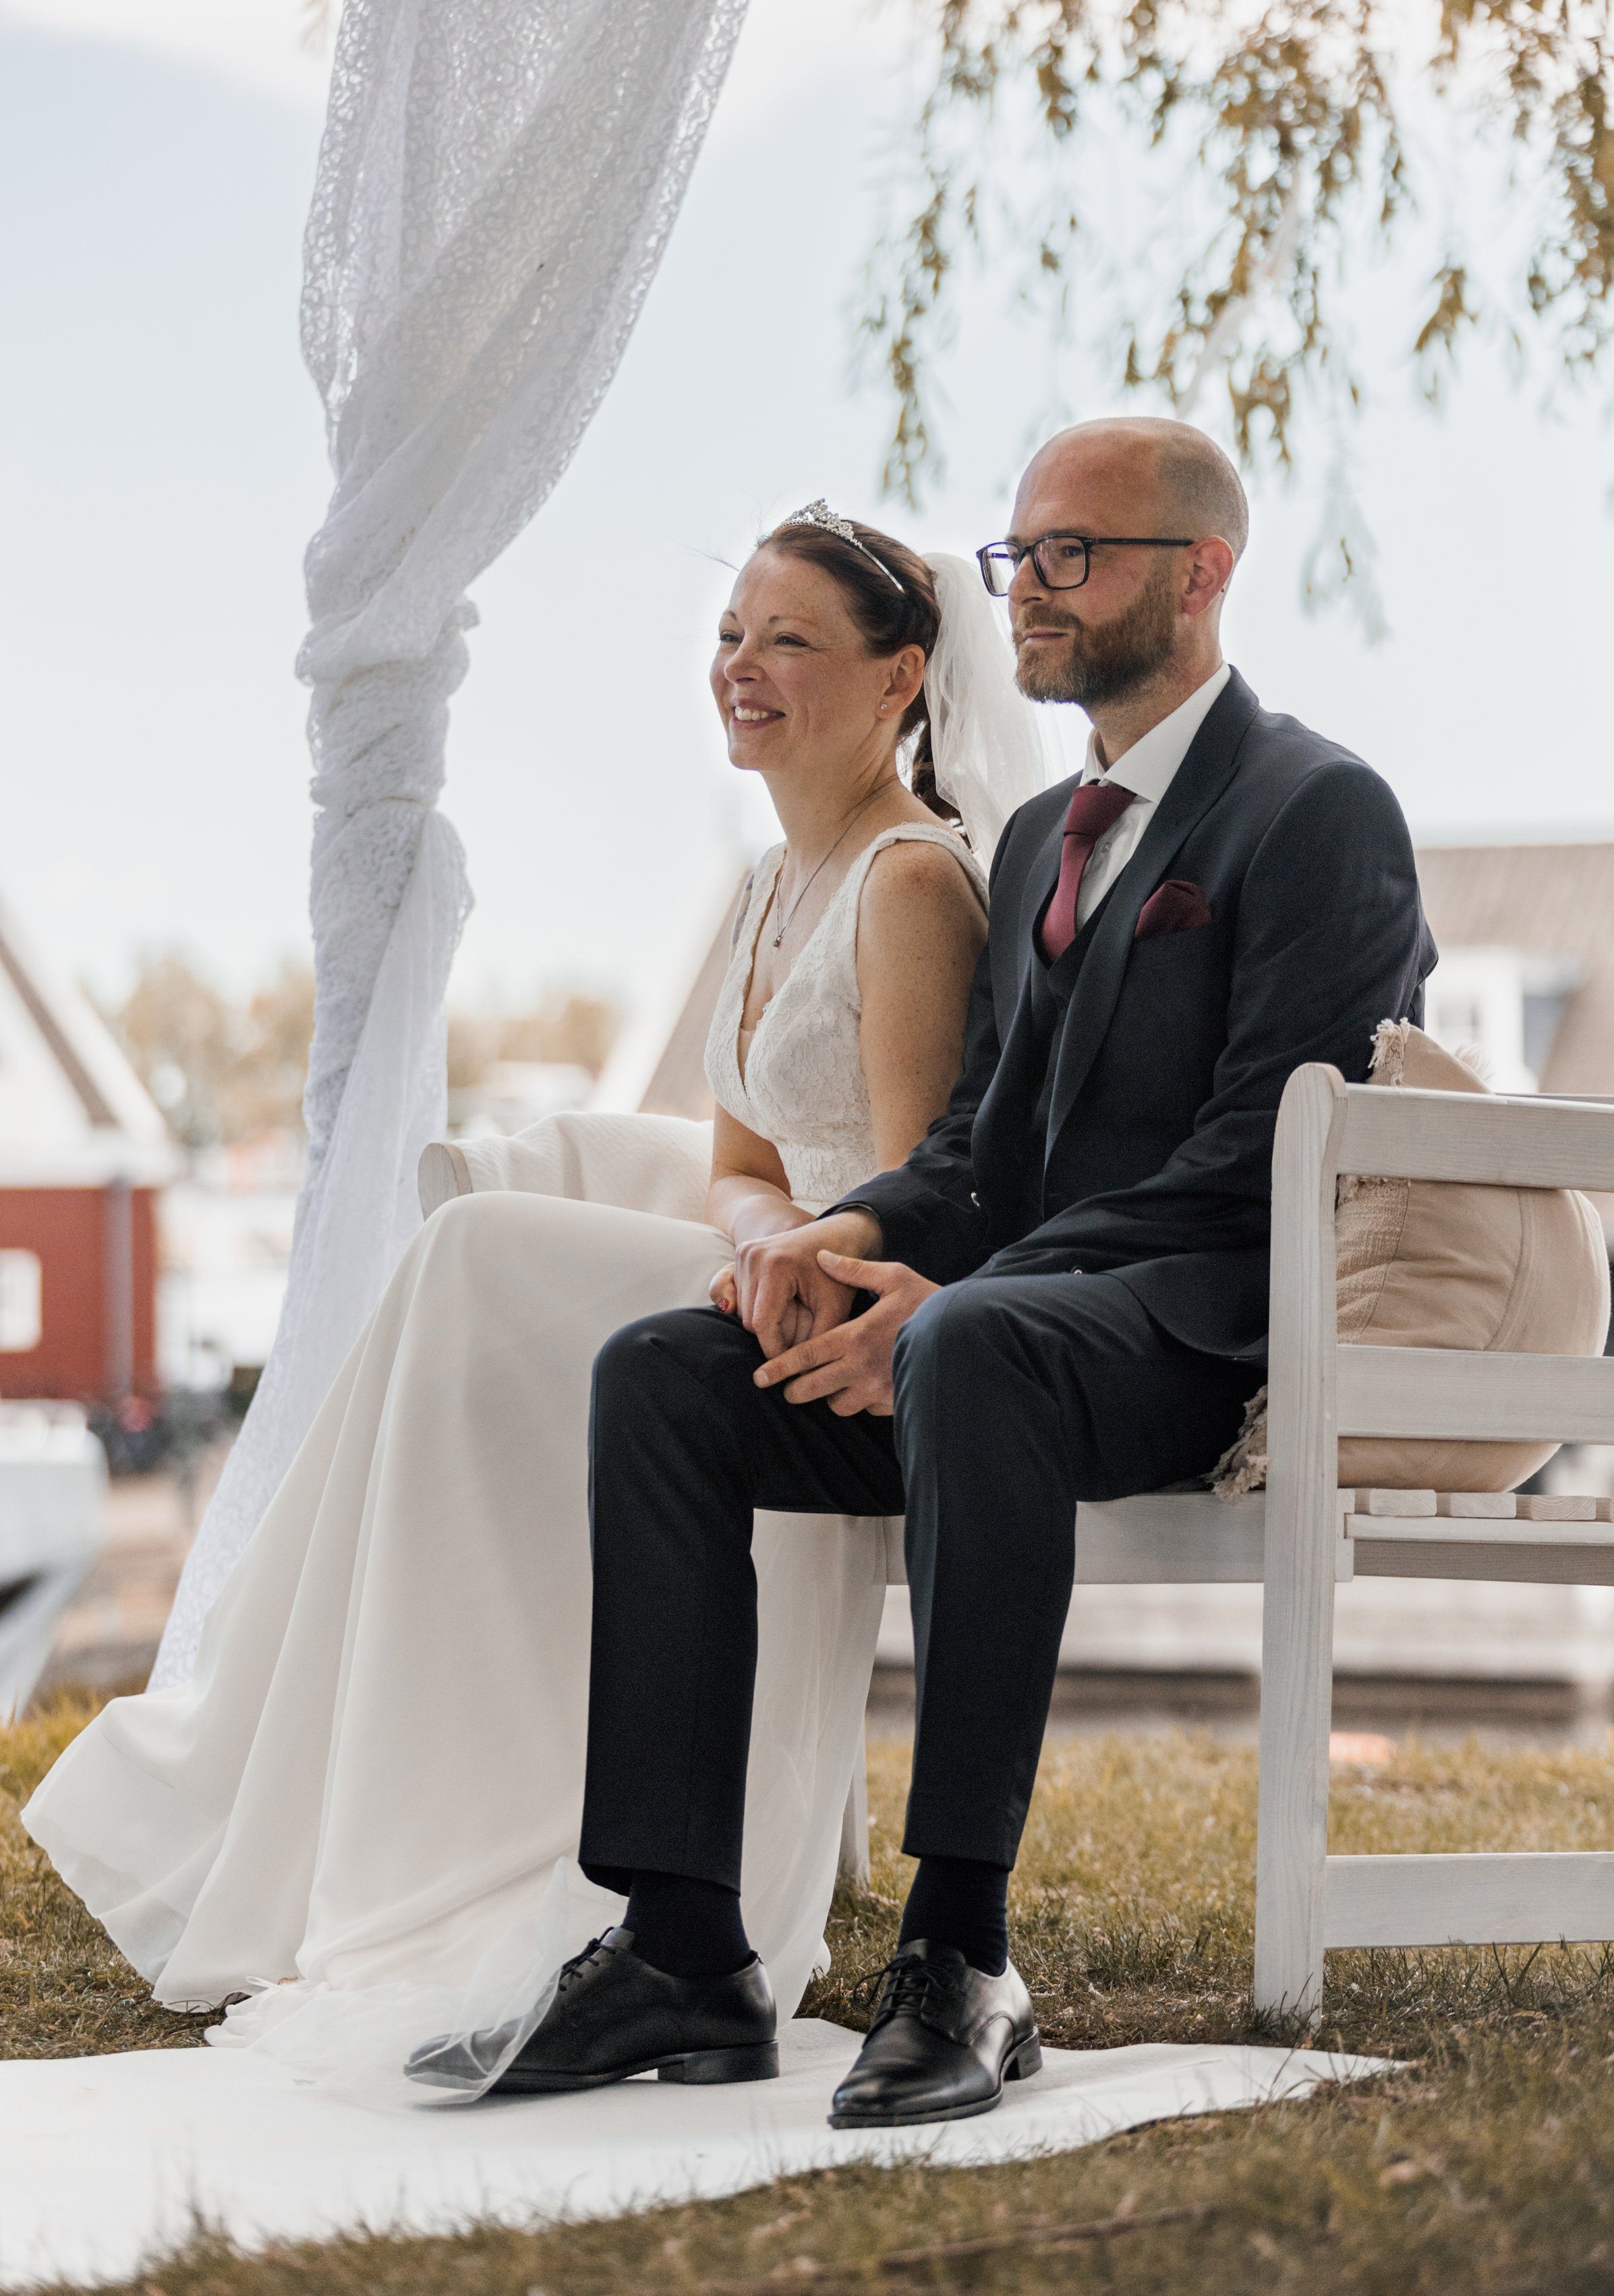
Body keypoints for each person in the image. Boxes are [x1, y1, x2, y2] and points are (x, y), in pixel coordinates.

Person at [437, 417, 1437, 2123]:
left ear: (1198, 577)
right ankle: (681, 1940)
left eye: (1074, 554)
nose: (1029, 588)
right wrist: (852, 1241)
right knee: (669, 1370)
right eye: (1018, 552)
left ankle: (960, 1950)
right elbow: (979, 1141)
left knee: (972, 1348)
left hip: (1197, 1333)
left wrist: (955, 1301)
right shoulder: (1043, 826)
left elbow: (1248, 1159)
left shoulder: (1316, 805)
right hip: (1012, 1340)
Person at [24, 503, 1049, 2088]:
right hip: (755, 1263)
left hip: (834, 1312)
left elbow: (918, 1189)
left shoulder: (911, 882)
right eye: (729, 636)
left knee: (470, 1254)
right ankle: (377, 1767)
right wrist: (756, 1218)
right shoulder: (775, 880)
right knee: (471, 1253)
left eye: (789, 642)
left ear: (901, 676)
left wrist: (791, 1239)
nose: (742, 671)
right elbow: (734, 1161)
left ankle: (420, 1797)